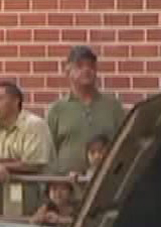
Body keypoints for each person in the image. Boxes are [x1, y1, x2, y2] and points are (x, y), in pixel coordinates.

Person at [44, 45, 126, 177]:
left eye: (91, 66)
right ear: (67, 71)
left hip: (104, 187)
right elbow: (48, 154)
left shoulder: (113, 107)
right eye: (80, 66)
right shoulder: (57, 110)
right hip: (67, 190)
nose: (86, 70)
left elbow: (124, 147)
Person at [0, 80, 53, 216]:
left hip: (37, 196)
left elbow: (32, 164)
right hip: (4, 196)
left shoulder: (34, 124)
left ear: (16, 101)